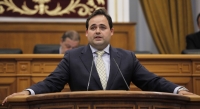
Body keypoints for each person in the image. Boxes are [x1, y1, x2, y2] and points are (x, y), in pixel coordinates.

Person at [2, 8, 193, 105]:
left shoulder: (127, 58)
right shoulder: (72, 57)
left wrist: (179, 90)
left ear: (111, 31)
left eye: (102, 27)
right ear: (86, 33)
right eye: (93, 27)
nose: (98, 31)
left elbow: (152, 81)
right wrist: (28, 92)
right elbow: (52, 83)